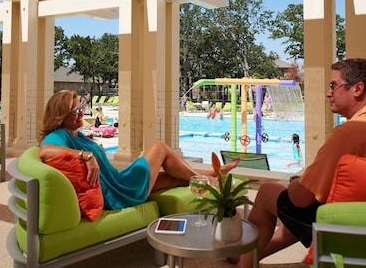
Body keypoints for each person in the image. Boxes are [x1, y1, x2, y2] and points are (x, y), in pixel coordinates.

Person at [212, 58, 366, 268]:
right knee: (306, 206)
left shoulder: (350, 132)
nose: (328, 93)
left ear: (358, 89)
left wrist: (298, 183)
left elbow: (300, 199)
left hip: (360, 234)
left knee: (270, 193)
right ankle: (253, 255)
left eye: (333, 86)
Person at [37, 90, 241, 210]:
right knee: (159, 147)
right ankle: (211, 179)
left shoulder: (75, 133)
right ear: (60, 114)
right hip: (118, 193)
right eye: (75, 110)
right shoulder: (60, 134)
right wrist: (85, 154)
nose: (81, 113)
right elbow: (44, 150)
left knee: (176, 176)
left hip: (119, 181)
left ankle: (212, 174)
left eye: (81, 108)